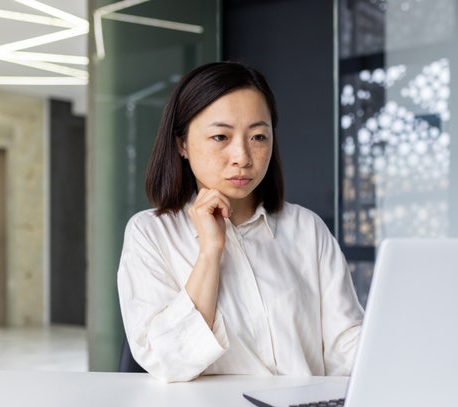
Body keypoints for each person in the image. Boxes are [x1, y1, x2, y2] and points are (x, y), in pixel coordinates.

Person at [117, 61, 363, 383]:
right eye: (221, 136)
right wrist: (210, 251)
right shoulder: (150, 233)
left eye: (258, 137)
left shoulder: (307, 229)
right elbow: (168, 362)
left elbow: (344, 345)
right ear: (182, 144)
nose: (243, 157)